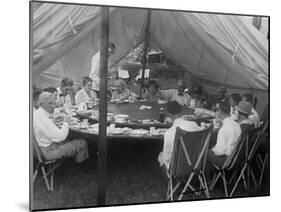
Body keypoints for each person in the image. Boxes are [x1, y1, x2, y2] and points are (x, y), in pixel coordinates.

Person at [33, 92, 89, 163]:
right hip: (48, 152)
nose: (53, 106)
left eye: (54, 103)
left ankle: (72, 161)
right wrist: (66, 122)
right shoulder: (43, 119)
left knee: (70, 138)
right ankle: (81, 166)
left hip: (38, 150)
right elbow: (61, 137)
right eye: (50, 103)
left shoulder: (36, 114)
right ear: (41, 104)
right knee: (82, 142)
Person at [158, 101, 203, 169]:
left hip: (178, 167)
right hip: (196, 162)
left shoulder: (169, 133)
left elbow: (167, 158)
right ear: (181, 111)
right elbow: (202, 132)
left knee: (161, 156)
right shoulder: (193, 124)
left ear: (169, 114)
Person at [207, 101, 241, 167]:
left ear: (220, 112)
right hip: (235, 158)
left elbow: (219, 152)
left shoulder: (223, 129)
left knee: (204, 152)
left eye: (216, 111)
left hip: (226, 160)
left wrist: (212, 148)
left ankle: (206, 176)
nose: (216, 113)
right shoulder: (237, 124)